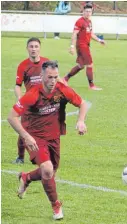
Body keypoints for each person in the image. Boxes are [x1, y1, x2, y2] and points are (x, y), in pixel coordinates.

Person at [8, 60, 89, 220]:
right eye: (49, 77)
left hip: (54, 136)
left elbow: (83, 103)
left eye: (55, 77)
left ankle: (27, 177)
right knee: (47, 169)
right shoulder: (32, 94)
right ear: (42, 76)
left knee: (51, 172)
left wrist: (81, 121)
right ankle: (56, 206)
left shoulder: (62, 90)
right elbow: (11, 117)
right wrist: (26, 136)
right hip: (34, 137)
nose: (52, 81)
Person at [12, 37, 50, 164]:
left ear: (40, 48)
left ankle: (45, 154)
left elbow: (54, 78)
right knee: (24, 129)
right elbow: (17, 85)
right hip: (29, 103)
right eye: (31, 46)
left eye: (36, 46)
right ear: (27, 48)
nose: (33, 49)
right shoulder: (23, 66)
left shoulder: (46, 63)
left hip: (45, 102)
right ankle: (20, 157)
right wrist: (20, 99)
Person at [64, 3, 105, 90]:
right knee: (90, 64)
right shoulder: (80, 21)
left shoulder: (89, 22)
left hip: (85, 45)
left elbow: (91, 34)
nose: (88, 13)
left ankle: (65, 79)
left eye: (90, 11)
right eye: (86, 11)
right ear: (83, 11)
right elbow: (74, 34)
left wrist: (99, 40)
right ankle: (92, 86)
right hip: (82, 46)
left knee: (81, 65)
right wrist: (72, 46)